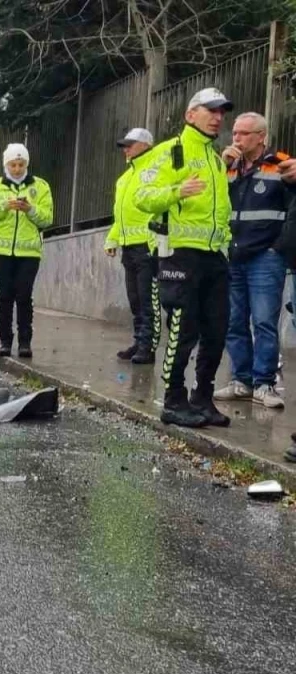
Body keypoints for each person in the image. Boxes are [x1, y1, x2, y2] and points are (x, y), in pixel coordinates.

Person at [134, 87, 234, 428]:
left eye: (222, 112)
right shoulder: (171, 152)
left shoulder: (217, 159)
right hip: (179, 254)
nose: (218, 117)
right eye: (211, 110)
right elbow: (142, 196)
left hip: (214, 257)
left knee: (217, 329)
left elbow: (222, 211)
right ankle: (173, 400)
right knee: (183, 327)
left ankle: (202, 398)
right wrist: (177, 191)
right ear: (191, 114)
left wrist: (225, 245)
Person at [212, 112, 293, 410]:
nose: (237, 138)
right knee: (234, 321)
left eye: (245, 133)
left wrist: (277, 247)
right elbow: (210, 199)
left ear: (261, 137)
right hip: (233, 256)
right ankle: (241, 381)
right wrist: (222, 168)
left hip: (265, 257)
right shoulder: (228, 169)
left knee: (263, 322)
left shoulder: (280, 163)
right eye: (234, 133)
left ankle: (264, 383)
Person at [0, 143, 55, 358]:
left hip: (28, 252)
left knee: (24, 295)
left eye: (21, 164)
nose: (17, 169)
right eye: (13, 164)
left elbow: (47, 218)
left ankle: (25, 342)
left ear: (27, 164)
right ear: (6, 164)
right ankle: (4, 340)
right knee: (5, 295)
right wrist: (4, 207)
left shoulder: (40, 187)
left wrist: (30, 209)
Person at [105, 128, 159, 364]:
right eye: (124, 145)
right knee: (135, 298)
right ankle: (139, 341)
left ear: (146, 145)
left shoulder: (156, 170)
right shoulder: (124, 178)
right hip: (129, 246)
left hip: (148, 244)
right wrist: (112, 238)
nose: (125, 149)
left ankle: (148, 346)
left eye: (130, 144)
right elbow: (120, 214)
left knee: (148, 300)